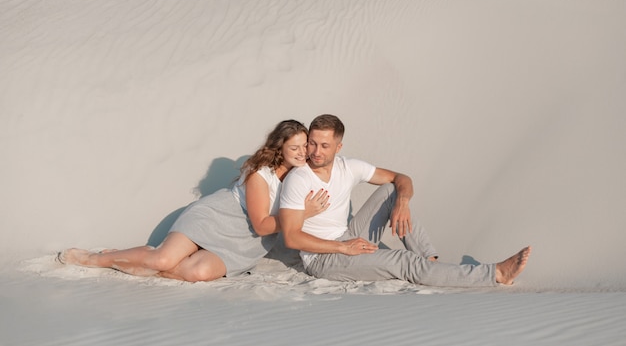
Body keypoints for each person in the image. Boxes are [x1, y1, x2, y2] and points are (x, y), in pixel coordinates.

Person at [59, 119, 330, 282]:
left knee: (197, 274)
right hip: (217, 218)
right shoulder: (260, 174)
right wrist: (302, 214)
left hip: (245, 242)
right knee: (164, 260)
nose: (301, 152)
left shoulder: (302, 174)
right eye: (293, 147)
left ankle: (139, 260)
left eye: (304, 146)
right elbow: (261, 225)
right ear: (279, 148)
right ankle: (97, 258)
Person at [279, 114, 531, 287]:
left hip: (347, 235)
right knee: (403, 261)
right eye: (312, 143)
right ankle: (495, 274)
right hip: (322, 257)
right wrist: (344, 248)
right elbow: (291, 237)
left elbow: (401, 178)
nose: (315, 152)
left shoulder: (349, 167)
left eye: (324, 145)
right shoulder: (299, 179)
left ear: (339, 147)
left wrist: (402, 203)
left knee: (391, 191)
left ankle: (431, 264)